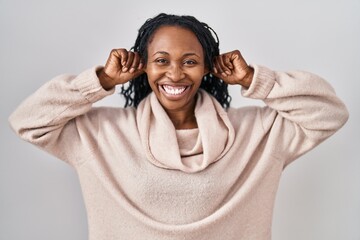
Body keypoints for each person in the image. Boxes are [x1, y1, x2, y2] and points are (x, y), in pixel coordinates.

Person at [9, 13, 348, 239]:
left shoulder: (258, 134)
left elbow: (328, 112)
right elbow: (28, 121)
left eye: (190, 61)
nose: (174, 74)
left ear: (207, 69)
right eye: (161, 61)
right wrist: (100, 80)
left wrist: (253, 79)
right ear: (142, 66)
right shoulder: (101, 134)